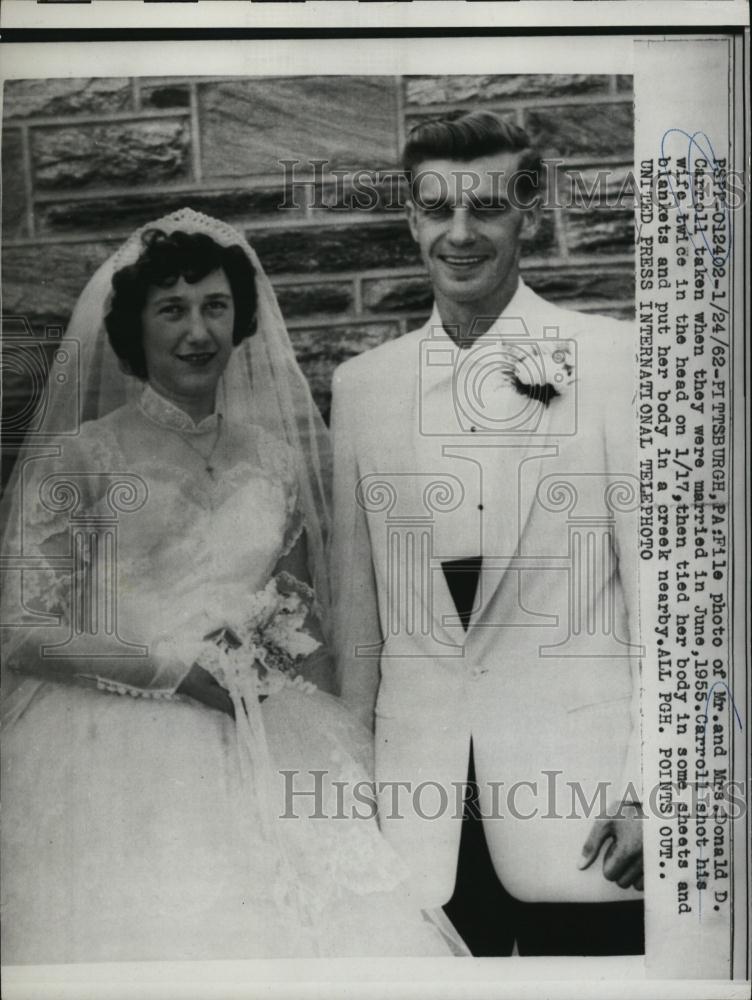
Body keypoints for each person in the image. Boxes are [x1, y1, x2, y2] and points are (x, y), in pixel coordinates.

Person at [0, 208, 467, 963]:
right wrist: (171, 669)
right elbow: (20, 627)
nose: (198, 332)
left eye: (216, 308)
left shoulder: (275, 460)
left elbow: (299, 611)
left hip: (268, 729)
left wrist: (304, 696)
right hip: (114, 744)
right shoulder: (82, 460)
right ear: (135, 328)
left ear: (240, 320)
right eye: (173, 310)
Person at [331, 111, 644, 956]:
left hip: (584, 815)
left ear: (529, 216)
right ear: (411, 218)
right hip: (417, 825)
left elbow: (670, 615)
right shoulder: (362, 388)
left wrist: (653, 792)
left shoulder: (613, 361)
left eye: (488, 209)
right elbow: (359, 633)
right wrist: (353, 801)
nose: (459, 234)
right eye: (437, 210)